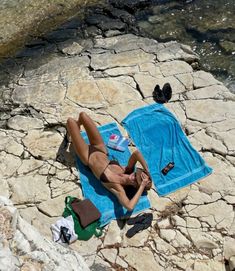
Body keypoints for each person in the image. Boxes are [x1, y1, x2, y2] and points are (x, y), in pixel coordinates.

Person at [66, 112, 151, 211]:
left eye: (136, 179)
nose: (134, 175)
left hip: (87, 157)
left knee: (70, 121)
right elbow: (136, 154)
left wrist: (142, 186)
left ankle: (75, 128)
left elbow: (129, 207)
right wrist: (146, 170)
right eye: (137, 173)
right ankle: (78, 125)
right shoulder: (127, 170)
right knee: (83, 115)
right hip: (100, 148)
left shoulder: (118, 188)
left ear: (135, 185)